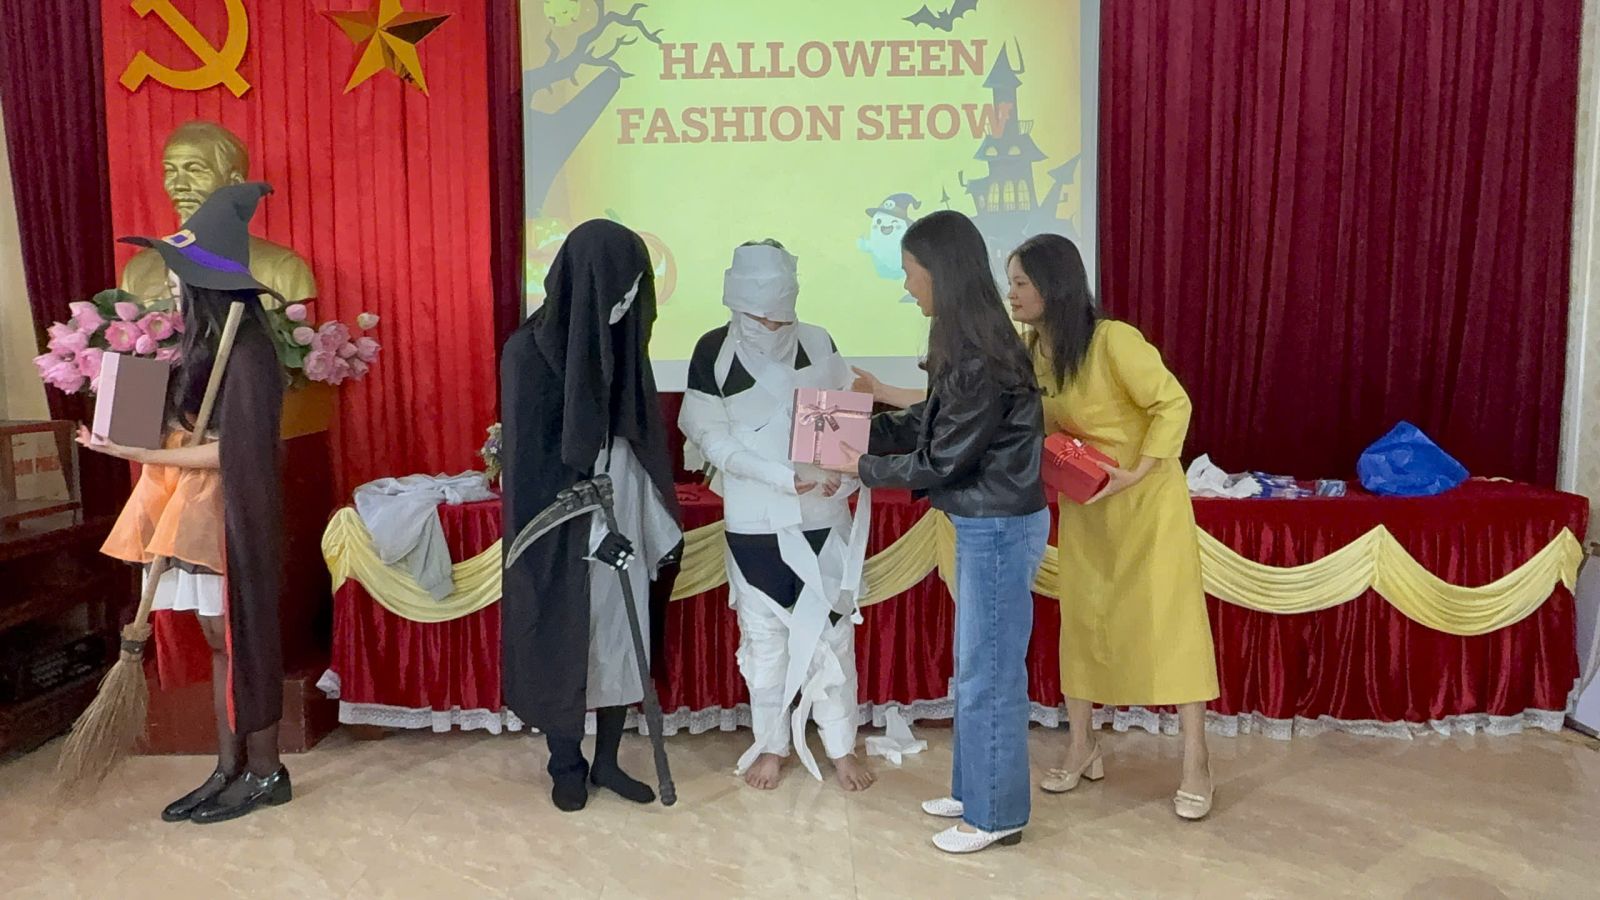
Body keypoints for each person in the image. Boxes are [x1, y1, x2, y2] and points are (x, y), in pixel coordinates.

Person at [824, 211, 1048, 854]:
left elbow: (943, 460)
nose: (906, 286)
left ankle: (995, 814)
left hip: (998, 528)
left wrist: (859, 465)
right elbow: (932, 422)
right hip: (985, 523)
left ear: (940, 274)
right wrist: (851, 427)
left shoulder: (979, 354)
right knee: (975, 669)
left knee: (989, 675)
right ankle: (975, 791)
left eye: (910, 273)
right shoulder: (968, 343)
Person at [89, 183, 289, 823]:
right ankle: (228, 766)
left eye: (179, 273)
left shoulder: (249, 351)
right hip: (194, 509)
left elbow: (238, 453)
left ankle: (266, 770)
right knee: (215, 638)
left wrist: (140, 454)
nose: (171, 285)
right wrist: (127, 425)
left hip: (232, 515)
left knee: (241, 637)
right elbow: (183, 426)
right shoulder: (203, 343)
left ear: (207, 282)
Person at [1007, 233, 1219, 820]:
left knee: (1169, 625)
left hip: (1148, 506)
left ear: (1053, 286)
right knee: (1084, 623)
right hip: (1088, 506)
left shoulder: (1113, 340)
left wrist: (1138, 471)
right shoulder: (1033, 351)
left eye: (1020, 283)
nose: (1012, 295)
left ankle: (1197, 761)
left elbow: (1173, 404)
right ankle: (1083, 745)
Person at [500, 219, 684, 813]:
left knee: (622, 638)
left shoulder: (624, 341)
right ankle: (566, 763)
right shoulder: (528, 354)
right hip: (563, 524)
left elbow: (640, 439)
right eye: (619, 288)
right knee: (568, 641)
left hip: (623, 504)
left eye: (636, 289)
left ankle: (607, 759)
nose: (629, 302)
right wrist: (588, 527)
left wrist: (644, 519)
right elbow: (531, 463)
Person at [678, 239, 875, 792]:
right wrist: (781, 478)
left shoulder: (818, 341)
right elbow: (713, 438)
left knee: (832, 636)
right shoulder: (712, 351)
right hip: (754, 522)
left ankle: (841, 747)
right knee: (764, 641)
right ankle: (771, 744)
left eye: (780, 317)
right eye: (761, 318)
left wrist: (843, 474)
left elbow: (843, 425)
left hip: (822, 517)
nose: (772, 326)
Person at [120, 121, 316, 307]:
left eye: (195, 171)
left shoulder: (282, 269)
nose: (179, 185)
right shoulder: (139, 270)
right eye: (170, 171)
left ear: (234, 184)